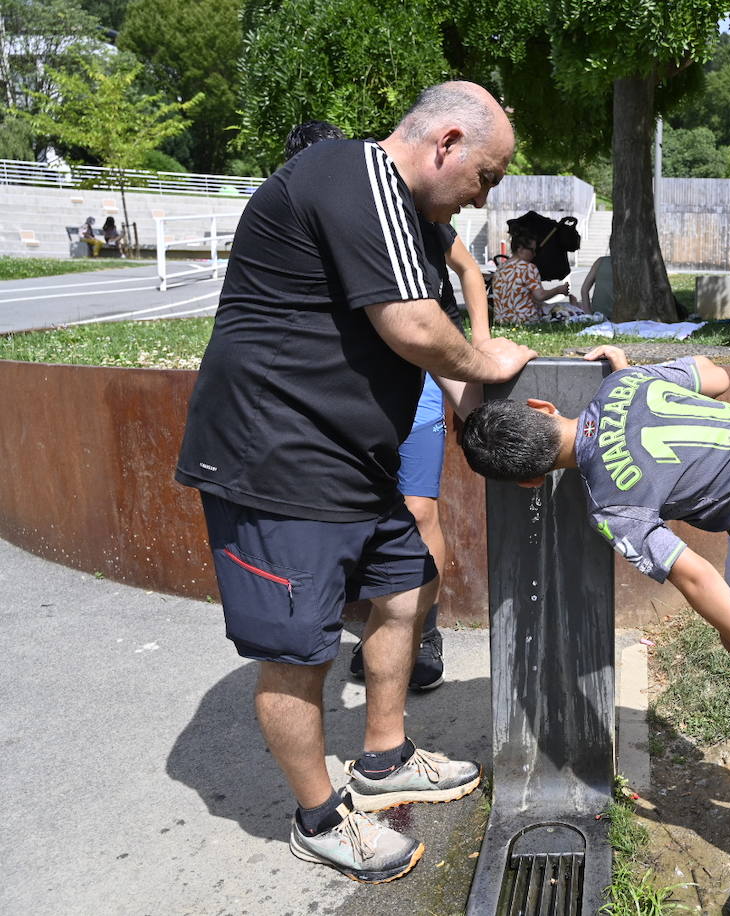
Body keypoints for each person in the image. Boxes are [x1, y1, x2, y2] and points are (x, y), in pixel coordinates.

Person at [175, 81, 536, 884]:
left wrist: (511, 423)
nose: (487, 196)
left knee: (405, 589)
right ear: (445, 142)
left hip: (350, 458)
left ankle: (383, 757)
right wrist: (488, 361)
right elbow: (414, 328)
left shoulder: (414, 222)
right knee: (296, 650)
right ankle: (317, 818)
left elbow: (432, 344)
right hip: (275, 459)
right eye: (487, 174)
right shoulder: (353, 173)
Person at [460, 345, 730, 916]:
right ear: (544, 407)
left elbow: (694, 576)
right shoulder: (622, 387)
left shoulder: (611, 504)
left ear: (528, 483)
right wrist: (628, 372)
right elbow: (716, 376)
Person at [280, 118, 490, 694]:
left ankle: (423, 629)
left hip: (420, 378)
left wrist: (481, 344)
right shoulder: (298, 221)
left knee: (420, 510)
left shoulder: (411, 211)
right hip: (346, 405)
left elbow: (460, 283)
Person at [490, 232, 575, 325]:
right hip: (524, 320)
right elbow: (540, 296)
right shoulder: (528, 268)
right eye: (532, 250)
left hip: (502, 321)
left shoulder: (501, 268)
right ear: (520, 248)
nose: (534, 254)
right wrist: (559, 290)